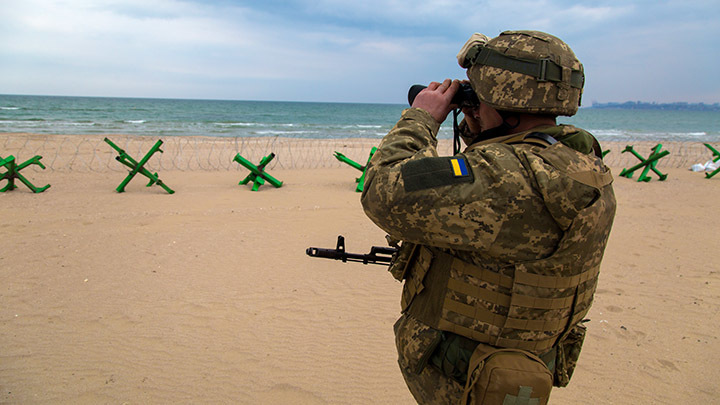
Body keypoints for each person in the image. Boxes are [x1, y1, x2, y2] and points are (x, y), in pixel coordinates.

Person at [361, 30, 616, 404]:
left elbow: (382, 191)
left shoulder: (505, 180)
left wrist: (421, 117)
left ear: (504, 100)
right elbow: (500, 158)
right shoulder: (579, 161)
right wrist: (480, 117)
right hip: (513, 370)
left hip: (465, 381)